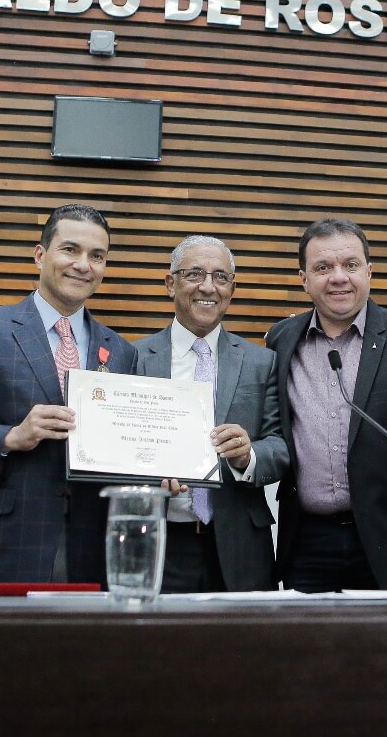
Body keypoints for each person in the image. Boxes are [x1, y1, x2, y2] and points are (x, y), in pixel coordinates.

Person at [0, 204, 136, 585]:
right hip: (2, 545)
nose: (83, 264)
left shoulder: (120, 351)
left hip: (91, 551)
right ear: (40, 254)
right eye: (70, 249)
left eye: (97, 256)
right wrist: (9, 437)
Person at [254, 218, 387, 592]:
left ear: (369, 272)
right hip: (307, 542)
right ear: (304, 279)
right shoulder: (281, 340)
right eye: (323, 268)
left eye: (350, 265)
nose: (338, 277)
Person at [133, 235, 286, 592]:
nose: (208, 287)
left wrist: (249, 455)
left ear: (232, 288)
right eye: (195, 274)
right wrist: (149, 478)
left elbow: (280, 446)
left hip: (241, 543)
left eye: (220, 277)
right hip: (163, 538)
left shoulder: (262, 362)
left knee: (241, 647)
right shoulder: (134, 358)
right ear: (170, 283)